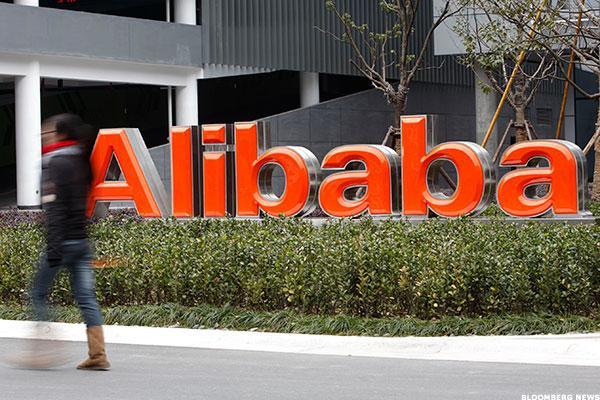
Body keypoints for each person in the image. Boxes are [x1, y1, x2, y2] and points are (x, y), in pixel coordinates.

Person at [29, 113, 110, 371]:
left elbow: (54, 210)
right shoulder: (81, 160)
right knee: (86, 298)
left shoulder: (54, 163)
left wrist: (54, 249)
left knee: (38, 293)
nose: (44, 138)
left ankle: (46, 348)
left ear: (60, 134)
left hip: (62, 244)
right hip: (82, 242)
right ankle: (98, 355)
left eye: (47, 133)